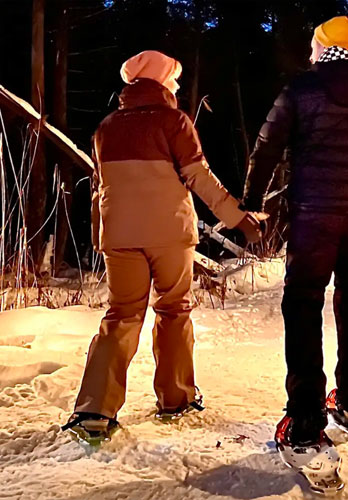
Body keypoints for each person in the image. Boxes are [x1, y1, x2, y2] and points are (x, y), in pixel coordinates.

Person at [243, 15, 348, 490]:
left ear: (320, 46)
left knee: (302, 310)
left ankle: (304, 423)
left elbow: (266, 145)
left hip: (314, 218)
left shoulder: (301, 89)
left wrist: (252, 203)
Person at [63, 50, 264, 442]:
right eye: (172, 79)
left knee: (120, 314)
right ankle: (176, 398)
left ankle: (94, 409)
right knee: (174, 309)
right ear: (162, 83)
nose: (174, 86)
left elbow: (99, 188)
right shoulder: (175, 121)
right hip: (169, 234)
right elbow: (199, 177)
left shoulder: (106, 127)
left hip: (119, 238)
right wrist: (239, 218)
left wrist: (100, 236)